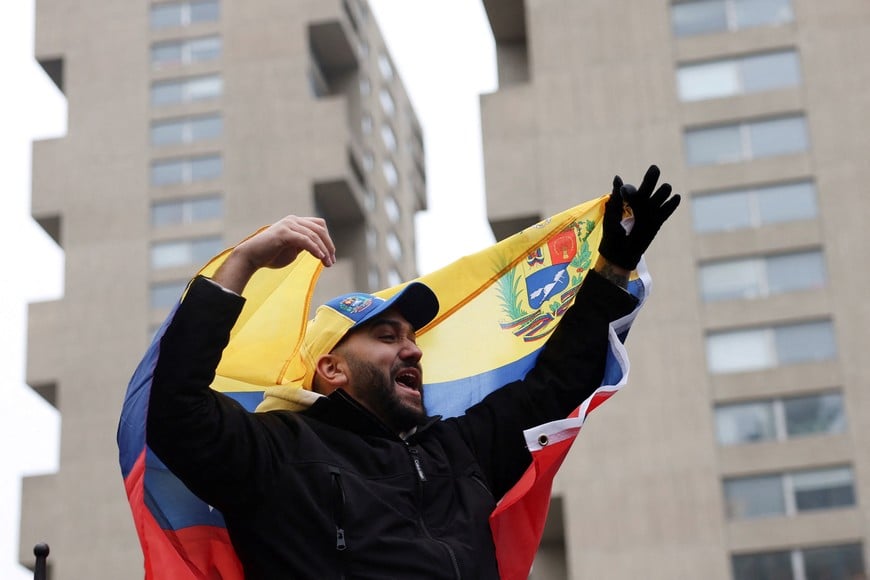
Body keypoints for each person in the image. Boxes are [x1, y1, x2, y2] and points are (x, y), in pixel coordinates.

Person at [146, 165, 680, 579]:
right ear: (330, 369)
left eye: (413, 338)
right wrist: (242, 264)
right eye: (387, 337)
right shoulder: (276, 450)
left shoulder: (460, 451)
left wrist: (612, 266)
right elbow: (176, 414)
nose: (412, 351)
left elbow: (558, 382)